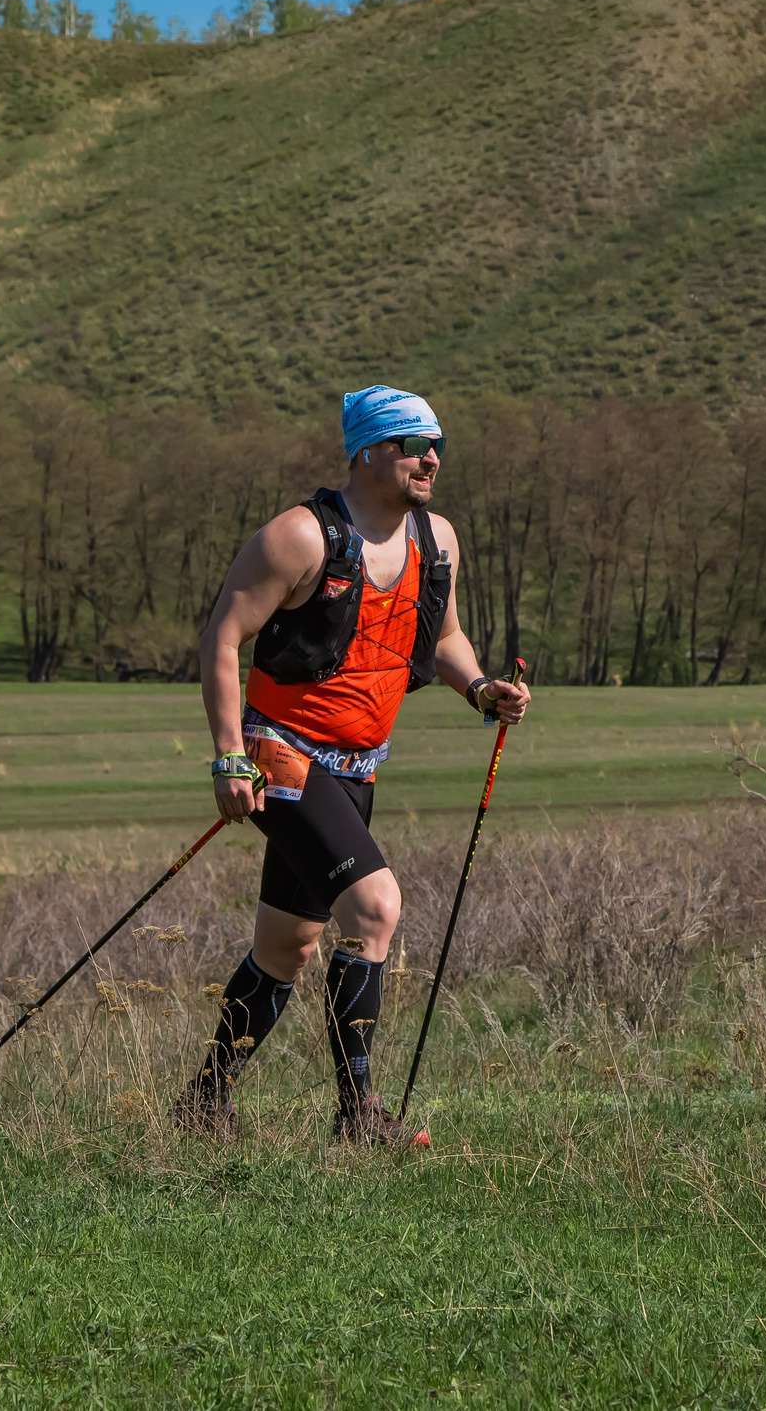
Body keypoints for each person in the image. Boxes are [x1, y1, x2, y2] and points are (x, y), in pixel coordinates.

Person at [175, 384, 530, 1144]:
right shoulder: (299, 537)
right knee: (374, 909)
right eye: (414, 445)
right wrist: (228, 755)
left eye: (437, 446)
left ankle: (204, 1102)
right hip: (281, 753)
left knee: (287, 947)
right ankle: (358, 1116)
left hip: (359, 765)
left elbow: (442, 638)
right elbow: (222, 639)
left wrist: (479, 688)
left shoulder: (437, 540)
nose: (431, 460)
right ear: (368, 450)